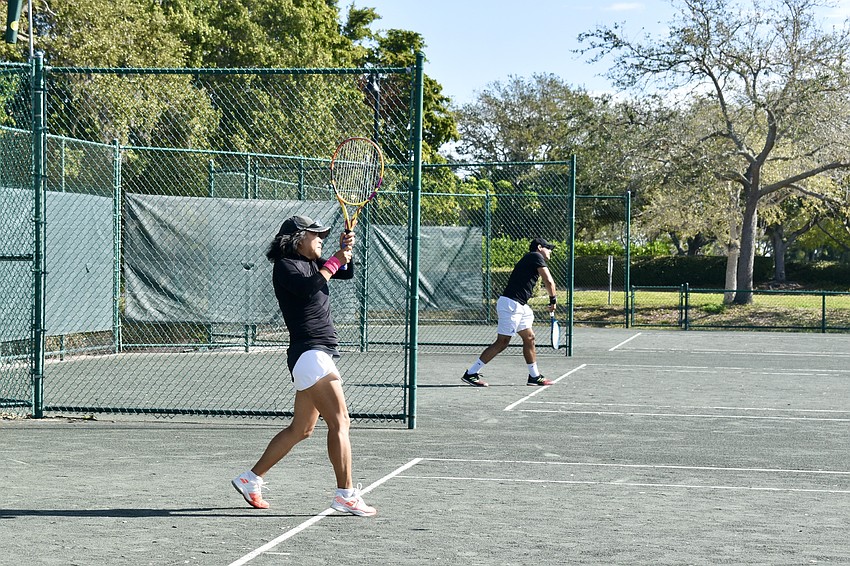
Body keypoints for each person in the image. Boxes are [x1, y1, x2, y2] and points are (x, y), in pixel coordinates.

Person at [231, 214, 376, 517]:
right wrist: (335, 259)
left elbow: (343, 273)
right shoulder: (286, 267)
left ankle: (251, 478)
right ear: (298, 239)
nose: (321, 238)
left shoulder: (311, 264)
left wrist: (344, 252)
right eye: (316, 234)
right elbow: (311, 288)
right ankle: (346, 494)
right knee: (340, 422)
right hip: (311, 354)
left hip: (312, 356)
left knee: (302, 429)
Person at [461, 237, 558, 387]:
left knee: (530, 338)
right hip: (511, 305)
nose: (550, 251)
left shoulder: (532, 258)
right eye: (548, 248)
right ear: (539, 247)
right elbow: (549, 281)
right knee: (503, 342)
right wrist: (553, 300)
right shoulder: (535, 256)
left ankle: (534, 376)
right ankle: (471, 373)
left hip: (520, 305)